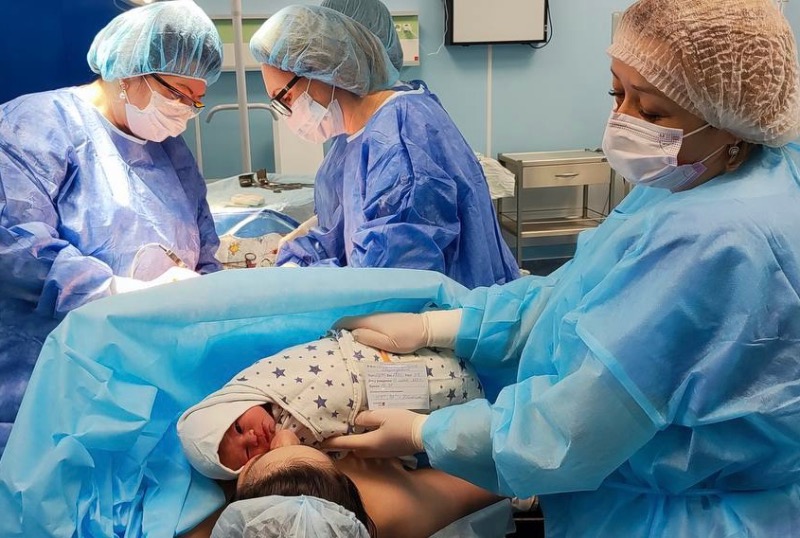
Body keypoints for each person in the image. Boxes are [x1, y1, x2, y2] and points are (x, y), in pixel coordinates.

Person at [324, 1, 800, 536]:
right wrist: (445, 326)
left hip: (685, 518)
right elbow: (576, 296)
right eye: (617, 94)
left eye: (652, 112)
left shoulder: (717, 239)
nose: (623, 120)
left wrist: (427, 434)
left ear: (734, 119)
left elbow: (574, 427)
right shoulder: (697, 177)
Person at [0, 0, 223, 454]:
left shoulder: (168, 148)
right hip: (50, 375)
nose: (186, 110)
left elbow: (202, 245)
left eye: (196, 100)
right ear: (130, 72)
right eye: (179, 93)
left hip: (146, 374)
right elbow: (15, 246)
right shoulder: (34, 126)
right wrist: (121, 292)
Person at [250, 5, 519, 289]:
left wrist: (311, 282)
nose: (288, 113)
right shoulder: (357, 135)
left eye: (285, 98)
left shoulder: (401, 136)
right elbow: (340, 232)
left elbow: (395, 276)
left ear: (322, 67)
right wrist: (298, 261)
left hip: (449, 310)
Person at [177, 328, 482, 479]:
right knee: (462, 421)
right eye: (247, 452)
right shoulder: (287, 459)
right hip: (402, 413)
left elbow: (308, 354)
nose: (253, 437)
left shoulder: (263, 378)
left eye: (238, 427)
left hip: (373, 359)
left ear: (231, 403)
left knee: (436, 349)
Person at [206, 428, 504, 538]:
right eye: (326, 458)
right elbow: (502, 473)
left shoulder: (207, 523)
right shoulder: (392, 508)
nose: (284, 437)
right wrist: (420, 431)